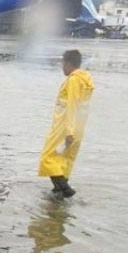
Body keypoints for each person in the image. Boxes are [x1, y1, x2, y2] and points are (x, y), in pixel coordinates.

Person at [38, 49, 94, 198]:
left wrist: (69, 132)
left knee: (48, 157)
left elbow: (72, 105)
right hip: (79, 126)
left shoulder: (74, 80)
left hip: (65, 127)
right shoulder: (86, 79)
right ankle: (58, 195)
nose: (62, 67)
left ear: (68, 63)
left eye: (62, 64)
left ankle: (67, 191)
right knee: (64, 160)